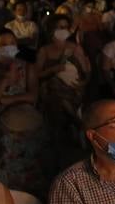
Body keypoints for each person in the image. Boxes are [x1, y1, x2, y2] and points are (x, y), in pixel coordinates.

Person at [0, 29, 48, 198]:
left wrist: (5, 100)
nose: (8, 47)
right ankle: (7, 192)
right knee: (7, 139)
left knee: (42, 135)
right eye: (3, 44)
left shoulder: (28, 67)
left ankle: (35, 192)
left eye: (11, 43)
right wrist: (5, 80)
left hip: (23, 113)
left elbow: (32, 97)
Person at [36, 13, 91, 145]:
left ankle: (75, 125)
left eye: (65, 27)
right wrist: (52, 70)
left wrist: (83, 83)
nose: (63, 30)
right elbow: (37, 74)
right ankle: (79, 125)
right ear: (51, 30)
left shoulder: (75, 48)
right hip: (52, 89)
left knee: (61, 98)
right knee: (55, 91)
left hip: (74, 89)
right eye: (59, 27)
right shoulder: (44, 51)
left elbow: (87, 71)